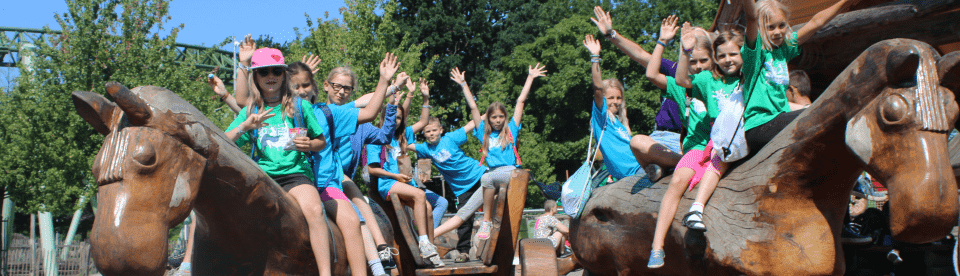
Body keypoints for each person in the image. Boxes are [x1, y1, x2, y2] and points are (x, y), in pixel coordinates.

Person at [223, 48, 333, 276]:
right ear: (255, 77)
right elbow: (222, 143)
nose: (270, 76)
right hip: (262, 177)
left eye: (276, 71)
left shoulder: (301, 106)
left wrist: (309, 145)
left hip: (296, 175)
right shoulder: (250, 110)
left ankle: (325, 273)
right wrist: (245, 126)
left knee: (315, 210)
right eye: (264, 72)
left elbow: (321, 141)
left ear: (284, 75)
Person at [644, 17, 743, 268]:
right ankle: (657, 246)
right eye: (694, 62)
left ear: (715, 59)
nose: (698, 66)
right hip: (698, 148)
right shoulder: (700, 83)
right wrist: (683, 50)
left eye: (704, 60)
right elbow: (677, 80)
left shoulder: (736, 79)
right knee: (678, 179)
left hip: (728, 143)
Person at [309, 53, 398, 276]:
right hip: (319, 173)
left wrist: (390, 89)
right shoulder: (319, 110)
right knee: (350, 190)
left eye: (347, 88)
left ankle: (382, 251)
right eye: (337, 86)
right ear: (326, 86)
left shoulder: (351, 117)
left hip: (336, 174)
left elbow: (369, 110)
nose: (341, 91)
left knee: (356, 198)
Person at [740, 0, 860, 153]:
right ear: (760, 28)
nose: (777, 31)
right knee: (818, 115)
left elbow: (816, 22)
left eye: (781, 25)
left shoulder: (783, 50)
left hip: (780, 119)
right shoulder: (755, 54)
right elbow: (751, 17)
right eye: (770, 27)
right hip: (760, 125)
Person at [590, 6, 688, 181]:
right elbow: (639, 54)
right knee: (637, 143)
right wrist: (611, 34)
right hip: (656, 138)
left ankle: (679, 163)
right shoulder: (673, 70)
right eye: (684, 45)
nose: (687, 51)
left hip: (679, 140)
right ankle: (666, 165)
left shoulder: (708, 80)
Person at [457, 63, 545, 240]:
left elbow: (520, 101)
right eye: (494, 117)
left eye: (501, 117)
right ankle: (489, 225)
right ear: (488, 119)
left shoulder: (511, 130)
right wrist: (463, 84)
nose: (497, 120)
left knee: (486, 177)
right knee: (486, 183)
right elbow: (473, 107)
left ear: (505, 118)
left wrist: (530, 77)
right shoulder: (483, 132)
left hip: (510, 172)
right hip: (494, 175)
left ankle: (486, 219)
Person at [367, 77, 446, 266]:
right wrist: (395, 176)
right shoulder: (376, 138)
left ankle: (430, 249)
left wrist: (425, 98)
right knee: (420, 195)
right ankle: (424, 243)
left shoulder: (403, 136)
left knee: (428, 207)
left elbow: (423, 121)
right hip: (388, 184)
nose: (395, 121)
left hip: (404, 183)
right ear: (385, 117)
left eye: (399, 118)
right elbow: (372, 169)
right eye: (392, 117)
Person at [409, 76, 488, 262]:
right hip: (461, 188)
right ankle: (464, 251)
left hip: (478, 174)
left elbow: (469, 126)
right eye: (427, 132)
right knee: (465, 218)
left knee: (496, 203)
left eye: (434, 130)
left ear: (441, 130)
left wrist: (485, 116)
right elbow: (407, 146)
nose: (431, 134)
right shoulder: (425, 148)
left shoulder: (451, 138)